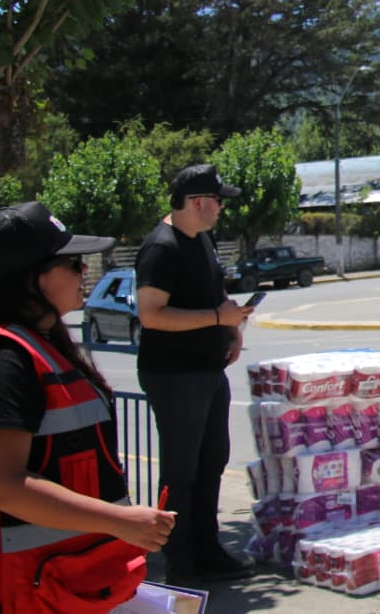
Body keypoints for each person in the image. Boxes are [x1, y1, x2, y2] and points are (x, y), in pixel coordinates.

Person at [0, 202, 176, 611]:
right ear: (32, 278)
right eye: (72, 263)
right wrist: (119, 521)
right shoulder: (7, 358)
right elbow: (4, 485)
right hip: (32, 587)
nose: (84, 272)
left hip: (72, 579)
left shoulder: (44, 344)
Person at [135, 164, 255, 585]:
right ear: (198, 202)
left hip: (207, 369)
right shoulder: (161, 247)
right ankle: (179, 562)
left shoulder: (202, 238)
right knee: (181, 471)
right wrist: (217, 318)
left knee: (211, 461)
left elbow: (216, 290)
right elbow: (151, 315)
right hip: (174, 374)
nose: (222, 208)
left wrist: (231, 328)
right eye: (218, 201)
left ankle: (207, 550)